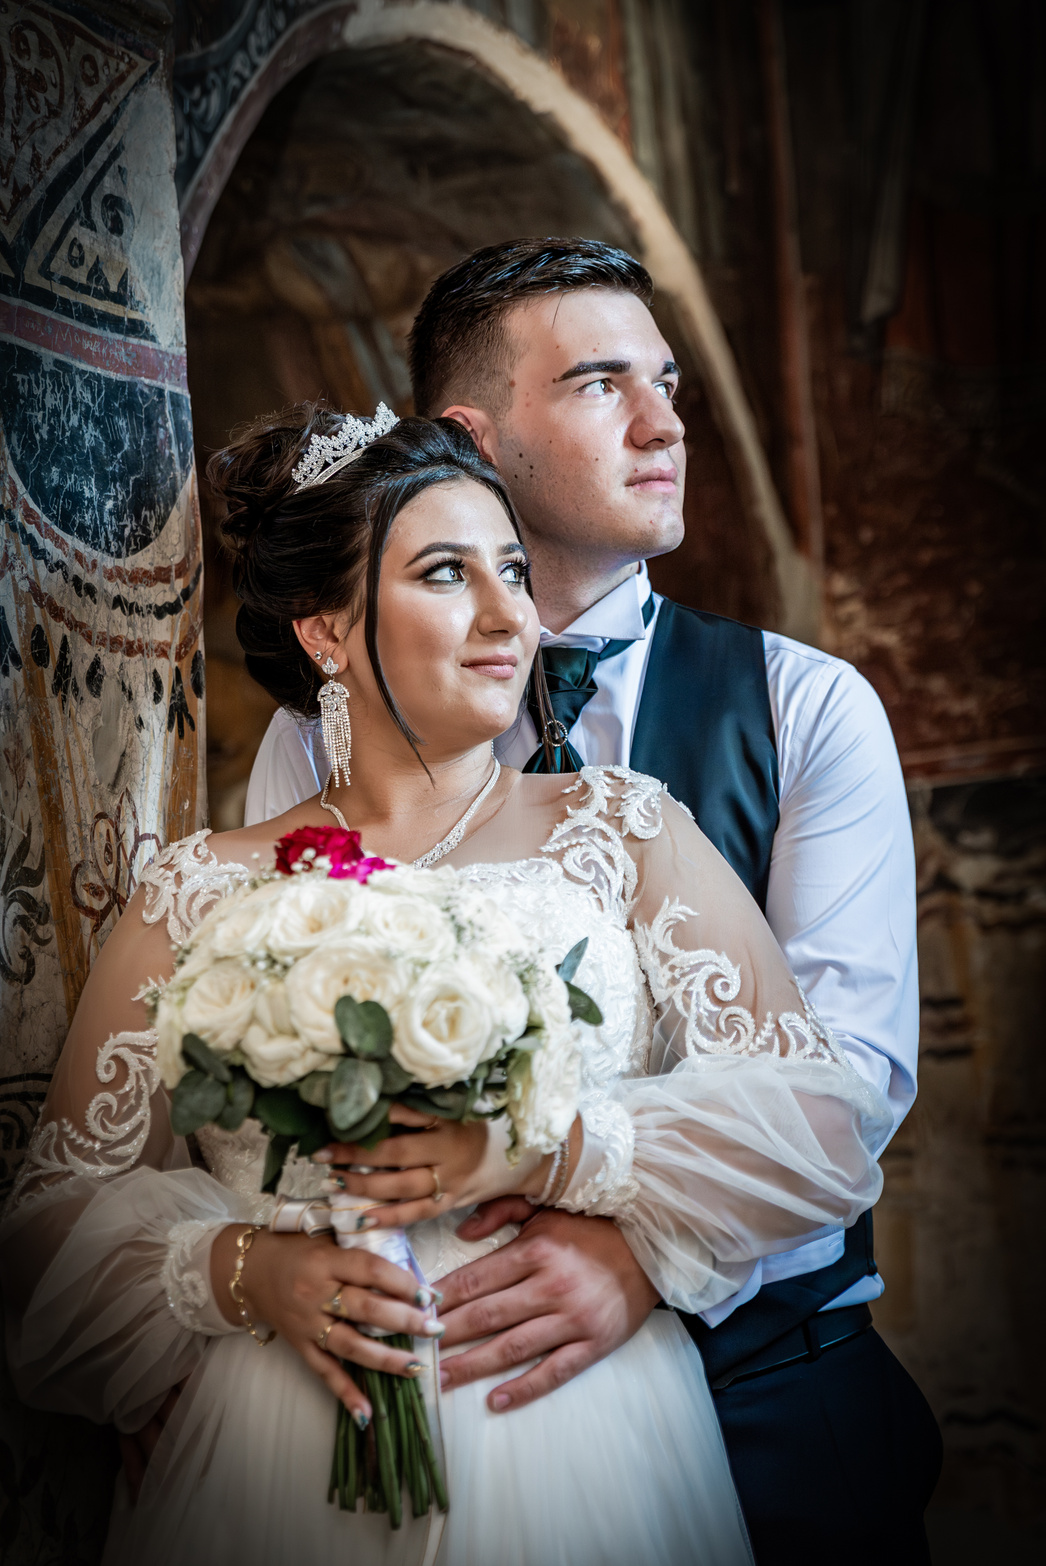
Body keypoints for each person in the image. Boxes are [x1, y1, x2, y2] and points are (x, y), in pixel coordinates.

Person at [2, 412, 890, 1566]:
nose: (511, 616)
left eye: (511, 571)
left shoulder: (622, 833)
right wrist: (242, 1272)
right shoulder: (200, 890)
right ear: (325, 630)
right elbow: (44, 1227)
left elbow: (819, 1125)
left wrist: (552, 1151)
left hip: (579, 1438)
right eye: (443, 573)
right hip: (279, 1445)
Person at [245, 240, 942, 1563]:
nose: (662, 422)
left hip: (776, 1390)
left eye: (664, 382)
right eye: (599, 383)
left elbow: (849, 1080)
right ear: (475, 438)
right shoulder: (320, 733)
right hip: (447, 1413)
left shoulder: (804, 706)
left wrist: (646, 1254)